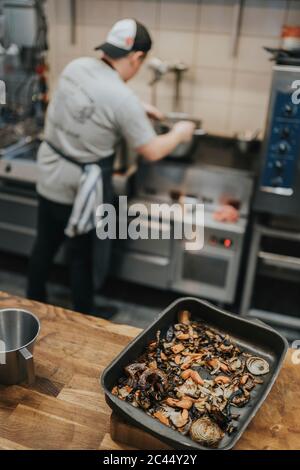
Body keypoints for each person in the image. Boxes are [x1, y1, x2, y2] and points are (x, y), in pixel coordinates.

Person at [27, 18, 195, 314]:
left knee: (44, 244)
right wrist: (180, 132)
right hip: (80, 189)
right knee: (82, 257)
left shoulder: (76, 67)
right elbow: (152, 150)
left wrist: (136, 107)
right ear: (137, 57)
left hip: (50, 173)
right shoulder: (122, 98)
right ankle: (85, 317)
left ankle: (31, 302)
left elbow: (92, 99)